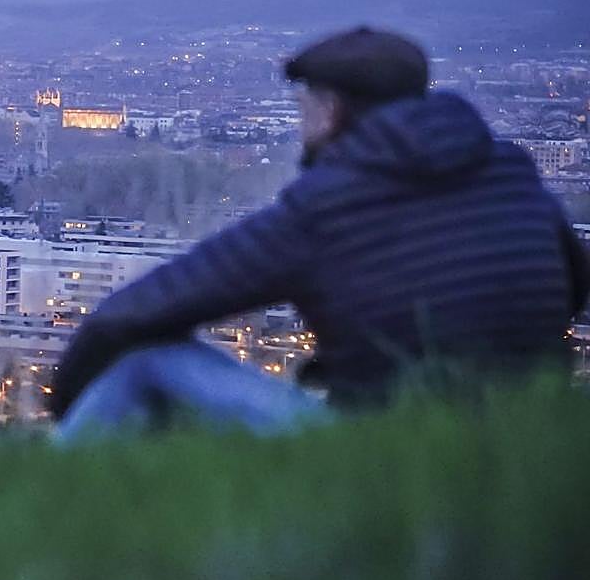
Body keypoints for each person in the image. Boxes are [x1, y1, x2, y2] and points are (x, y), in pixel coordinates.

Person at [50, 27, 590, 439]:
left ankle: (55, 479)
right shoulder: (511, 176)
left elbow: (146, 307)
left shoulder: (327, 207)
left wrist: (65, 394)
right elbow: (572, 288)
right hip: (524, 430)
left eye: (302, 107)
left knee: (146, 361)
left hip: (378, 441)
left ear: (330, 110)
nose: (300, 123)